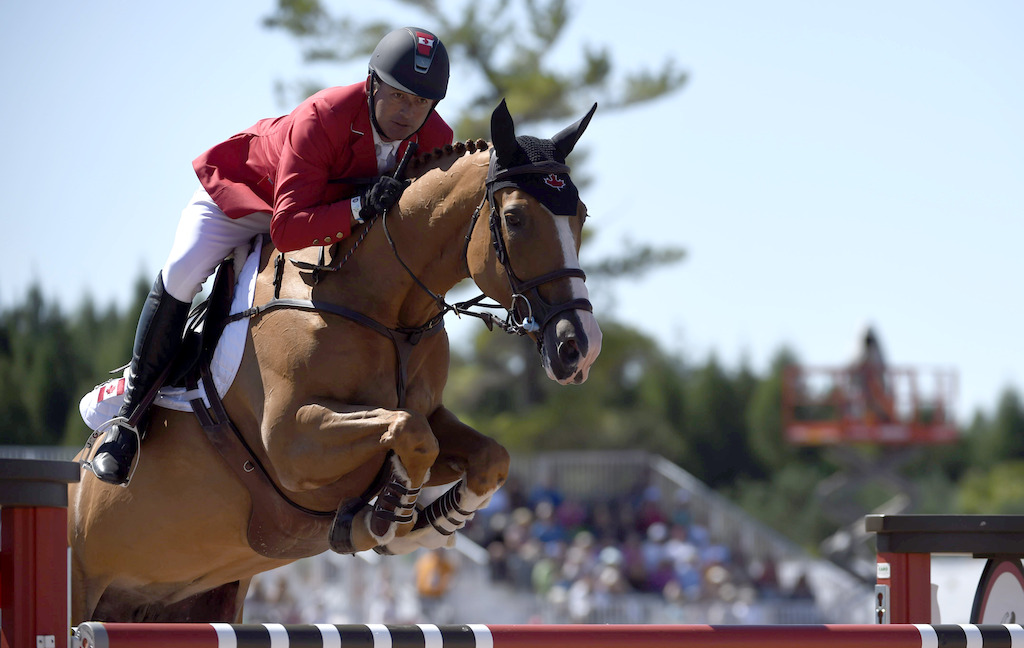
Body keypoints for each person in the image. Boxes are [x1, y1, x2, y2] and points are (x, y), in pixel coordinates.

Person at [91, 27, 455, 485]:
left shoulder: (436, 138)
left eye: (421, 103)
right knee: (183, 273)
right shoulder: (324, 115)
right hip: (246, 200)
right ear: (372, 83)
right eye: (399, 96)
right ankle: (127, 421)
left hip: (320, 214)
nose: (408, 112)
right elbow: (286, 227)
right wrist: (362, 205)